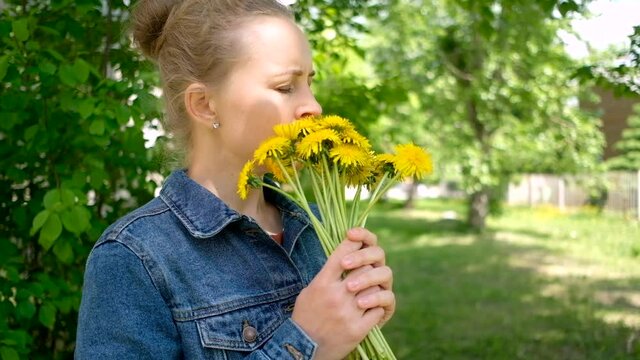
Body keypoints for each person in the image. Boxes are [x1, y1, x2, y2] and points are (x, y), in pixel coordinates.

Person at [75, 1, 396, 359]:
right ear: (205, 105)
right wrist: (304, 343)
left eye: (309, 82)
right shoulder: (133, 259)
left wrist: (362, 321)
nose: (315, 107)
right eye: (285, 87)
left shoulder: (320, 229)